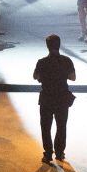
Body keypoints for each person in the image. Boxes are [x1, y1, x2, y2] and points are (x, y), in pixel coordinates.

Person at [33, 34, 76, 164]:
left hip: (47, 97)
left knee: (45, 127)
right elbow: (73, 77)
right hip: (62, 97)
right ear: (59, 45)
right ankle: (59, 152)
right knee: (61, 126)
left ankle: (47, 154)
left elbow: (35, 76)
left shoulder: (42, 62)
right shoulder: (66, 60)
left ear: (47, 46)